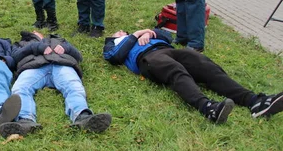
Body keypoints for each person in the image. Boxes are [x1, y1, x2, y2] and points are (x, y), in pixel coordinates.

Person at [103, 28, 283, 123]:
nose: (119, 32)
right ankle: (208, 108)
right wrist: (134, 36)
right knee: (175, 71)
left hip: (168, 50)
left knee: (205, 65)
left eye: (121, 31)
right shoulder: (114, 44)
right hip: (148, 58)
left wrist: (150, 32)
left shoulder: (145, 33)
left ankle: (254, 101)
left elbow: (168, 36)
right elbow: (113, 57)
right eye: (116, 33)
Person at [0, 31, 112, 138]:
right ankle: (25, 120)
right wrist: (35, 47)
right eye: (32, 32)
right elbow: (15, 57)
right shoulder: (22, 43)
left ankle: (83, 116)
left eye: (36, 31)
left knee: (73, 86)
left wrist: (66, 48)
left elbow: (78, 56)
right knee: (20, 88)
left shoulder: (60, 40)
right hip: (33, 67)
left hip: (62, 65)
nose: (34, 31)